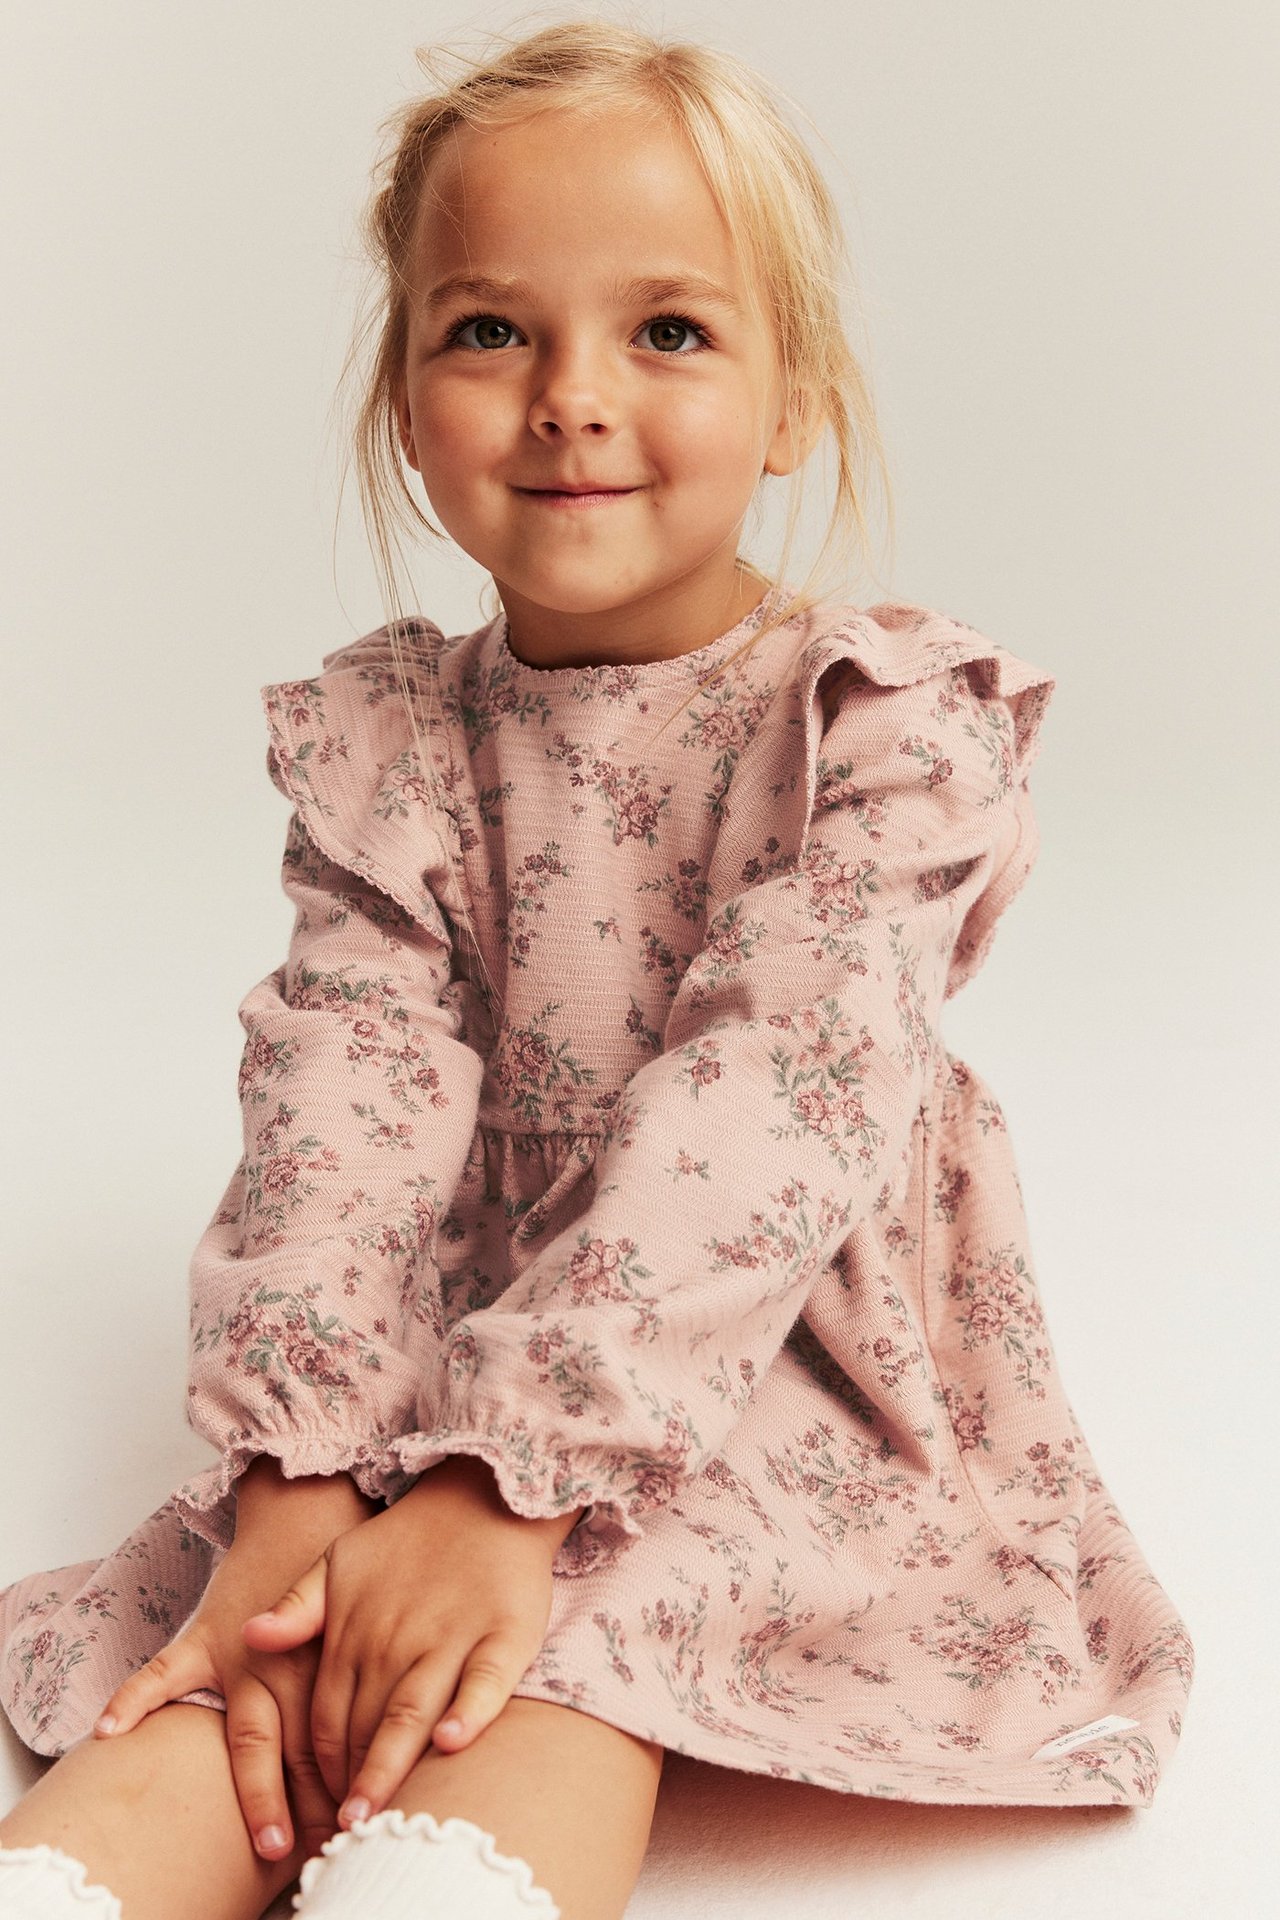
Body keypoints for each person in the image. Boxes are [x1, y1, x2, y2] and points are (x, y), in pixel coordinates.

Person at [0, 16, 1195, 1920]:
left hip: (754, 1341)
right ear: (402, 394)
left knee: (550, 1635)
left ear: (792, 395)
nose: (571, 396)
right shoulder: (397, 744)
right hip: (448, 1318)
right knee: (273, 1649)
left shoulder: (875, 736)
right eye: (490, 331)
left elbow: (763, 1111)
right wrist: (307, 1474)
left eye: (669, 331)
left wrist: (509, 1485)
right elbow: (342, 1095)